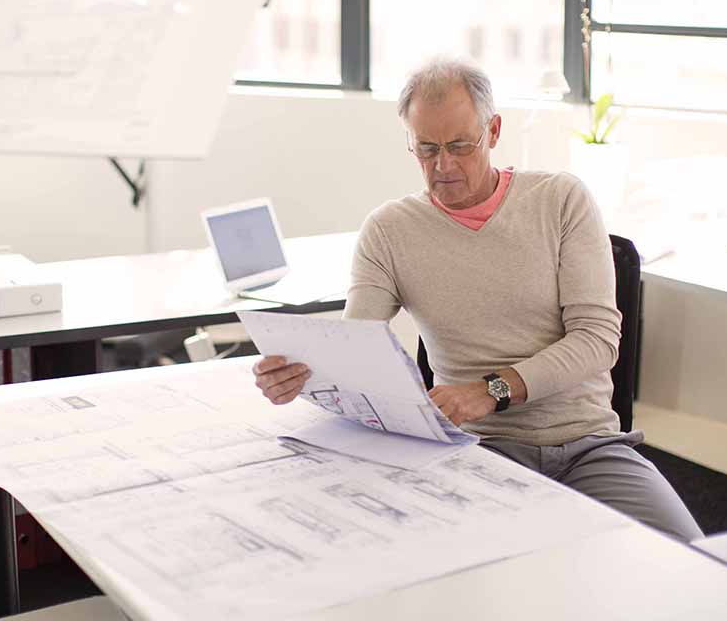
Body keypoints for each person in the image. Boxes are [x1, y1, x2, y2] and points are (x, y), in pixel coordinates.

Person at [252, 57, 702, 540]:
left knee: (693, 559)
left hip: (585, 444)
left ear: (493, 131)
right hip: (476, 450)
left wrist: (489, 391)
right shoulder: (390, 230)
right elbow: (354, 348)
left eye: (459, 146)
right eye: (425, 149)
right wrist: (306, 375)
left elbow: (597, 342)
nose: (442, 166)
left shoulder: (560, 200)